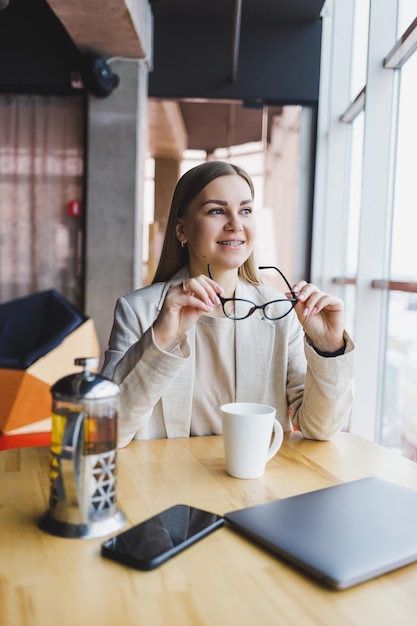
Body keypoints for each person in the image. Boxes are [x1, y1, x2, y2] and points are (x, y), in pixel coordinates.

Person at [101, 161, 354, 447]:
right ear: (182, 230)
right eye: (217, 211)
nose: (236, 224)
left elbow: (320, 428)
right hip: (167, 485)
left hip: (257, 485)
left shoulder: (280, 313)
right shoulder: (138, 311)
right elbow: (106, 432)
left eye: (245, 210)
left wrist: (329, 348)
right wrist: (160, 337)